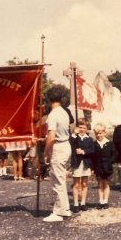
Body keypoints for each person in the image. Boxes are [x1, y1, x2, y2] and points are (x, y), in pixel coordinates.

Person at [43, 87, 72, 222]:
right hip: (66, 145)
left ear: (49, 100)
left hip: (58, 147)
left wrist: (45, 152)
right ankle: (64, 208)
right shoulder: (64, 112)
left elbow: (51, 136)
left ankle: (60, 212)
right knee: (61, 179)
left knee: (58, 181)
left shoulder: (53, 114)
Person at [70, 118, 94, 213]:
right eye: (80, 127)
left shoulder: (89, 139)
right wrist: (74, 135)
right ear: (77, 128)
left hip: (86, 163)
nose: (82, 129)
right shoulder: (74, 138)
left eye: (84, 127)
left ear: (87, 129)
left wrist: (84, 151)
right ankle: (76, 203)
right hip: (77, 163)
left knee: (84, 184)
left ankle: (83, 203)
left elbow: (92, 150)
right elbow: (71, 144)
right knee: (76, 184)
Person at [92, 123, 118, 209]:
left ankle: (105, 201)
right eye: (96, 134)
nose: (98, 135)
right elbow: (93, 157)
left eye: (100, 133)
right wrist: (93, 167)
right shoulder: (95, 144)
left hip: (107, 168)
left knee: (106, 184)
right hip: (98, 168)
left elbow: (115, 154)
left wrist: (110, 162)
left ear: (104, 133)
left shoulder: (109, 143)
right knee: (100, 185)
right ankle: (101, 201)